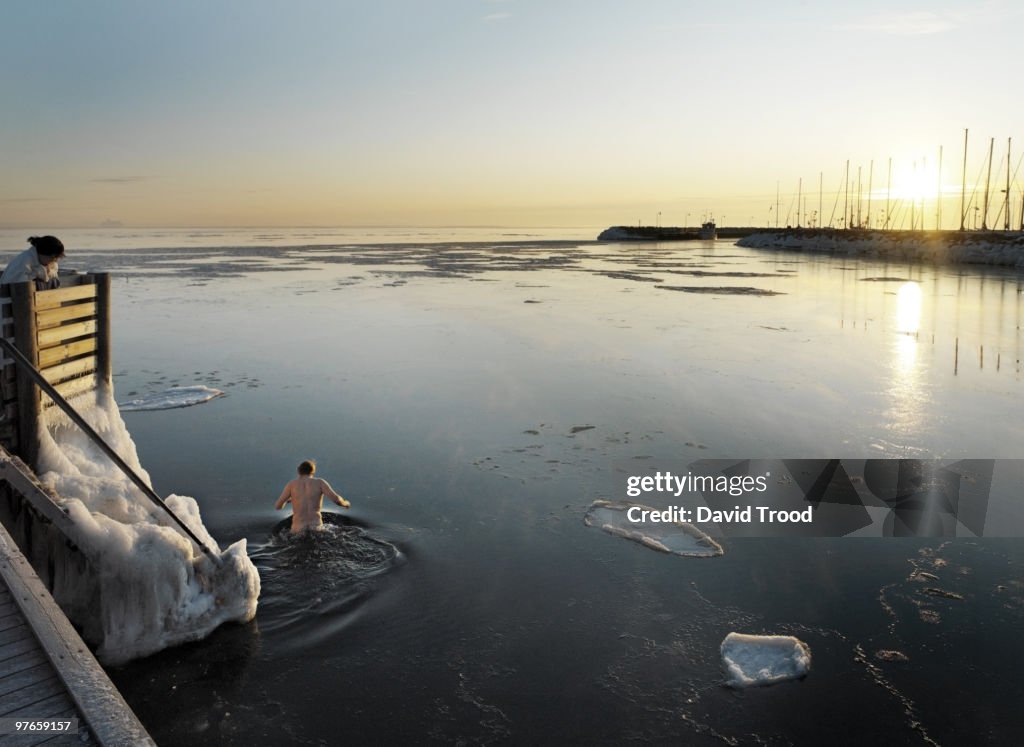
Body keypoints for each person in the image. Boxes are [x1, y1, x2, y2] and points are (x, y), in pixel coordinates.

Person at [274, 460, 350, 533]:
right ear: (313, 471)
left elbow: (278, 506)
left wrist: (288, 500)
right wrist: (346, 503)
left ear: (298, 471)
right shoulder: (320, 482)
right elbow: (336, 500)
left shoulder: (291, 485)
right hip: (316, 528)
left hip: (298, 530)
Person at [0, 235, 65, 290]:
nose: (54, 261)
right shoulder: (24, 261)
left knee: (53, 280)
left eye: (57, 258)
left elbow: (52, 277)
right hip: (12, 301)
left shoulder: (47, 262)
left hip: (37, 301)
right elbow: (20, 286)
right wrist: (39, 273)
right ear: (42, 253)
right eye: (52, 257)